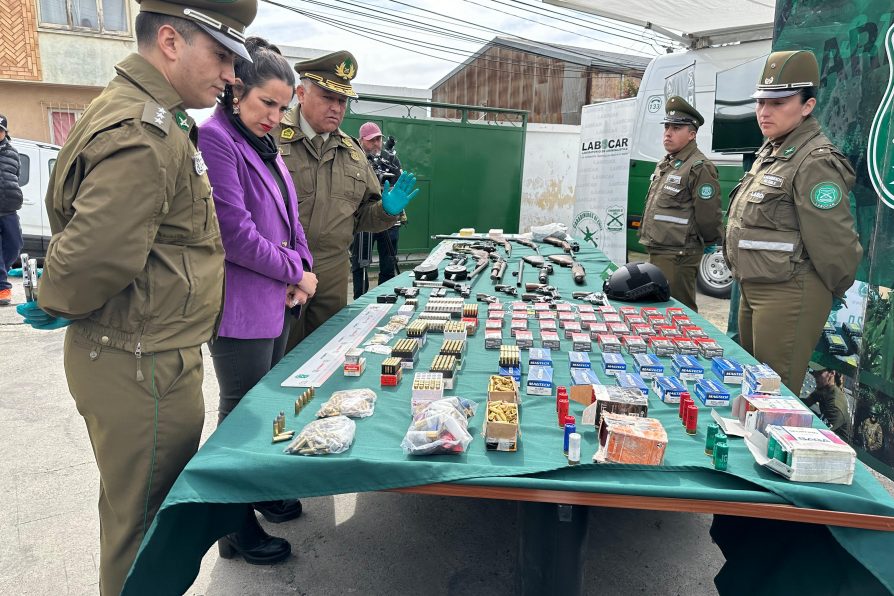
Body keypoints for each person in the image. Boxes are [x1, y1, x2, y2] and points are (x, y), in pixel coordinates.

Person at [15, 0, 257, 592]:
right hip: (140, 360)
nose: (231, 75)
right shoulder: (144, 130)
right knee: (145, 530)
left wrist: (61, 297)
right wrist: (57, 297)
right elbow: (98, 252)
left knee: (137, 514)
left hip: (141, 350)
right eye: (222, 56)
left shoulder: (152, 116)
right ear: (171, 41)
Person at [199, 37, 316, 566]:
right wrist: (296, 270)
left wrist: (304, 269)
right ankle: (233, 527)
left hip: (279, 298)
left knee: (265, 407)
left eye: (283, 106)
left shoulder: (264, 145)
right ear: (236, 90)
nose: (276, 115)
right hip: (241, 305)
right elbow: (235, 234)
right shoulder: (216, 139)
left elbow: (291, 219)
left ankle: (261, 490)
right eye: (267, 102)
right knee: (239, 417)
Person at [723, 50, 862, 392]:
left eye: (779, 102)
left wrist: (823, 292)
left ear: (807, 106)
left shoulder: (815, 161)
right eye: (760, 102)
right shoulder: (772, 152)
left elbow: (836, 245)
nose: (764, 112)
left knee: (773, 395)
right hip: (756, 285)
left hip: (789, 292)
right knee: (751, 389)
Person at [277, 51, 418, 351]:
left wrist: (387, 211)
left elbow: (363, 215)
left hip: (332, 273)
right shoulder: (272, 138)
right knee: (276, 365)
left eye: (342, 101)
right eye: (328, 97)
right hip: (280, 271)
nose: (337, 108)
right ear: (301, 93)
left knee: (326, 358)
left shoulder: (353, 154)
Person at [638, 96, 722, 312]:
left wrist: (711, 239)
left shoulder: (698, 167)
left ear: (692, 134)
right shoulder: (667, 163)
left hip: (679, 255)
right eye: (666, 126)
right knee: (660, 310)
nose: (668, 132)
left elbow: (708, 213)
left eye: (676, 128)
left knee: (680, 313)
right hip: (659, 249)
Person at [350, 121, 403, 299]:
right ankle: (359, 300)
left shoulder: (392, 158)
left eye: (379, 139)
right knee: (360, 263)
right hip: (365, 217)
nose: (376, 144)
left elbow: (398, 183)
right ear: (362, 140)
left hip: (389, 218)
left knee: (388, 261)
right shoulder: (354, 157)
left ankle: (385, 299)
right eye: (371, 140)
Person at [0, 114, 24, 306]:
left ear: (5, 132)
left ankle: (1, 276)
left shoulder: (13, 153)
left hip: (9, 208)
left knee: (14, 246)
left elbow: (16, 176)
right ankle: (2, 288)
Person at [802, 363, 852, 442]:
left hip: (838, 444)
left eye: (819, 373)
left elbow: (819, 432)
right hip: (827, 432)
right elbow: (804, 403)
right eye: (814, 372)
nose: (814, 376)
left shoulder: (836, 405)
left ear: (832, 373)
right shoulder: (824, 389)